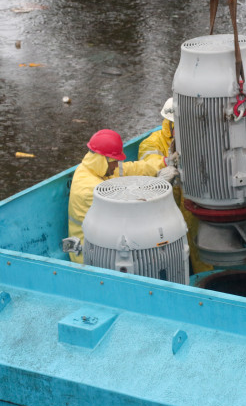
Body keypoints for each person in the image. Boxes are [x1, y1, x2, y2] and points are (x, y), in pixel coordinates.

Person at [138, 98, 213, 274]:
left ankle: (204, 276)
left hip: (193, 200)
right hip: (165, 205)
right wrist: (167, 164)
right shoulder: (153, 143)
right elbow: (147, 166)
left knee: (198, 240)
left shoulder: (199, 138)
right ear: (170, 123)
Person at [67, 129, 158, 263]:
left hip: (104, 245)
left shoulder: (96, 169)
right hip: (90, 257)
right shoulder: (90, 189)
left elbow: (132, 169)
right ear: (103, 159)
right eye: (115, 161)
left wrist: (163, 164)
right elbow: (126, 214)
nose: (116, 166)